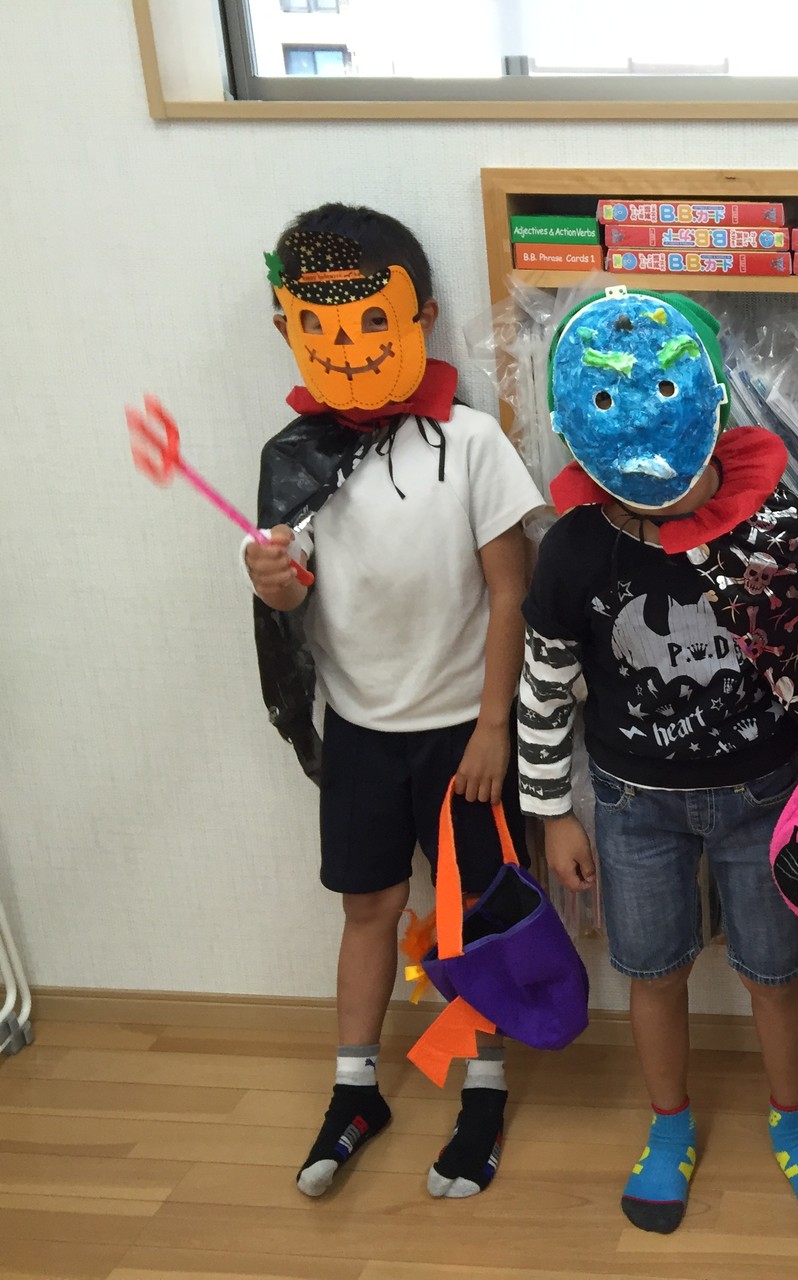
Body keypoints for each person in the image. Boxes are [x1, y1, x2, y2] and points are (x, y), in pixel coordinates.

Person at [517, 286, 798, 1233]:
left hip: (767, 798)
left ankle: (793, 1116)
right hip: (634, 807)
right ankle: (669, 1124)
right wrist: (551, 810)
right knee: (653, 969)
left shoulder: (779, 528)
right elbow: (544, 683)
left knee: (776, 972)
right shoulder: (574, 550)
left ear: (710, 402)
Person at [243, 203, 545, 1199]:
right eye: (322, 326)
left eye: (374, 319)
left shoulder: (472, 441)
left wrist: (495, 726)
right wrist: (273, 579)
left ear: (420, 318)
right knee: (368, 903)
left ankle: (484, 1087)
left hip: (466, 733)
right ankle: (355, 1088)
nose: (351, 344)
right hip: (360, 729)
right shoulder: (295, 459)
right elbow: (295, 597)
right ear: (289, 328)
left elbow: (511, 591)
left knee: (478, 916)